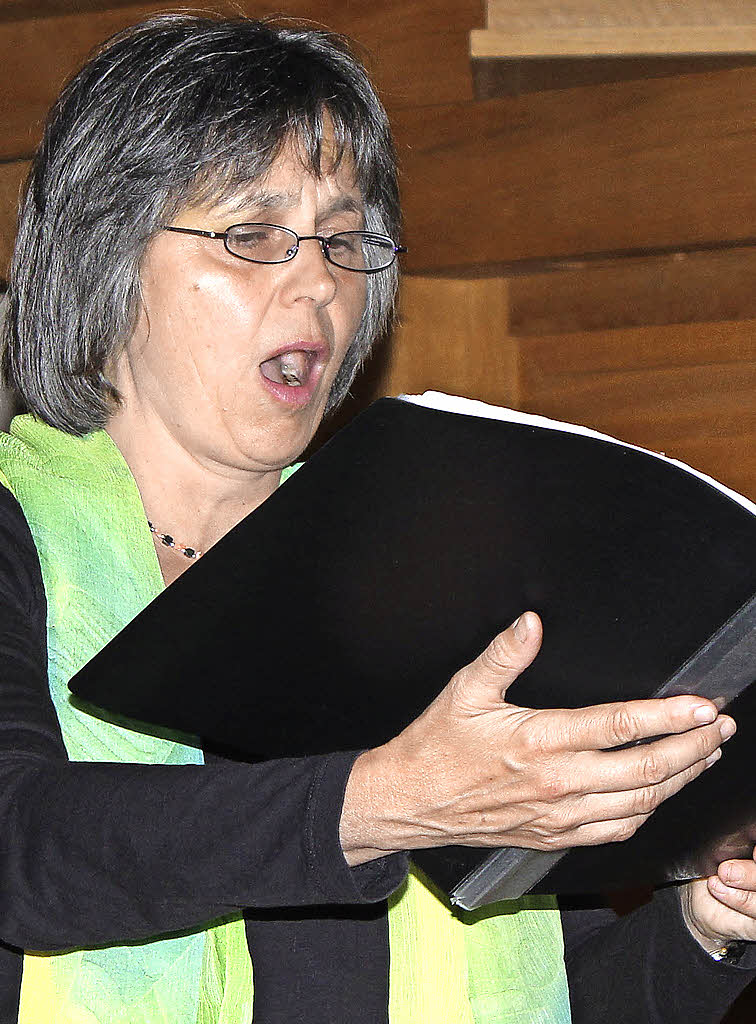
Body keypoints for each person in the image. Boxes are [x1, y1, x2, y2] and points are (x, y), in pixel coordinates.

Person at [0, 14, 754, 1024]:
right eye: (253, 235)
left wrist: (712, 924)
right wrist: (383, 799)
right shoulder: (18, 540)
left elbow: (563, 995)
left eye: (346, 238)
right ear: (108, 253)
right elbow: (27, 844)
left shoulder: (422, 575)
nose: (319, 281)